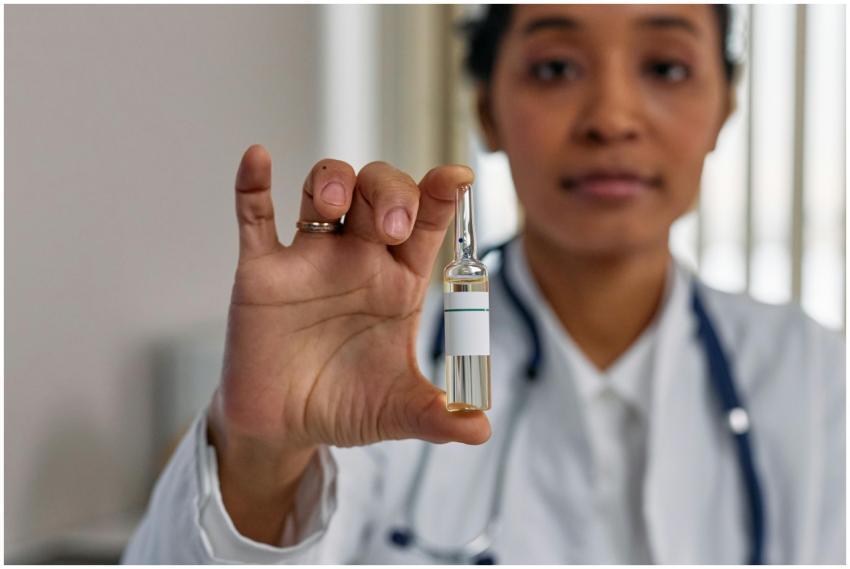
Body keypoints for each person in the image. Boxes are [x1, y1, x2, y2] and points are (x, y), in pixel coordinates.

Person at [122, 4, 845, 564]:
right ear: (486, 110)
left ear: (726, 107)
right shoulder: (378, 367)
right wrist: (260, 457)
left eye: (666, 67)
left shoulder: (820, 380)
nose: (612, 119)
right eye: (557, 68)